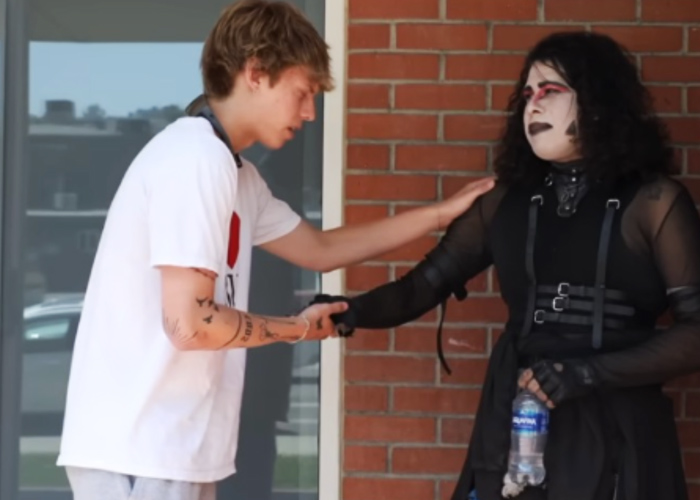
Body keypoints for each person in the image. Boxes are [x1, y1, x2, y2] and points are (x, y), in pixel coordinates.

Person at [55, 1, 494, 499]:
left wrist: (440, 215)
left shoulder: (235, 172)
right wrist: (296, 328)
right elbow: (189, 324)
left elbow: (322, 249)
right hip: (141, 450)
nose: (309, 113)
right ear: (256, 72)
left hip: (169, 448)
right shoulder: (195, 158)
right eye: (302, 93)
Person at [311, 32, 700, 500]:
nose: (533, 105)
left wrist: (585, 374)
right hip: (516, 429)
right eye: (528, 94)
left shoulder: (654, 202)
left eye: (550, 91)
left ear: (597, 102)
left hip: (620, 433)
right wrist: (349, 311)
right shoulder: (504, 203)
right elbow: (423, 286)